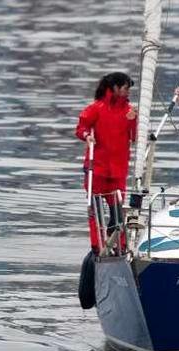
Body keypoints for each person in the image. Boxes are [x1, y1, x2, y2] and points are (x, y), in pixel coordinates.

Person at [75, 72, 137, 253]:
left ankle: (120, 244)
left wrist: (132, 122)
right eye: (125, 88)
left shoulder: (128, 111)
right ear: (115, 88)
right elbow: (81, 127)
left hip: (118, 170)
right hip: (98, 168)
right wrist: (87, 136)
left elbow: (133, 137)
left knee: (118, 212)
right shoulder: (96, 108)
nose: (127, 92)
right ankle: (97, 245)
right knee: (94, 211)